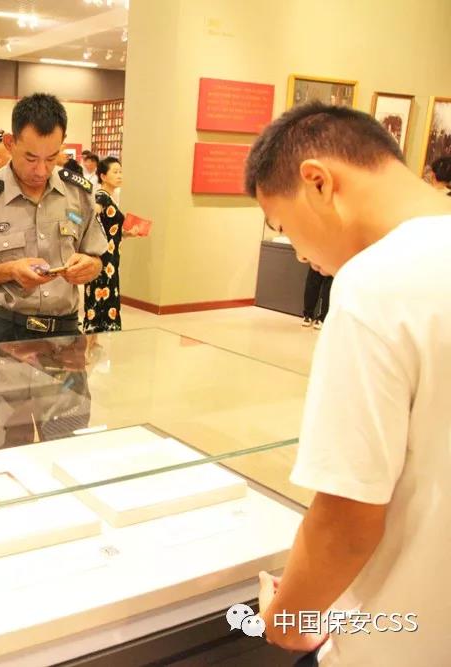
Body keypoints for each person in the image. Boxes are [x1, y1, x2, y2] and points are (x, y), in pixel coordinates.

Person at [247, 102, 451, 666]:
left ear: (318, 182)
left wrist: (288, 621)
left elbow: (348, 516)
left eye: (285, 227)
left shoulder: (377, 285)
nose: (301, 254)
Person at [0, 92, 106, 345]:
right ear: (10, 143)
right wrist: (9, 271)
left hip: (65, 332)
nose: (41, 170)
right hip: (4, 332)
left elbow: (96, 258)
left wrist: (90, 266)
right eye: (30, 158)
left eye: (51, 158)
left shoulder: (78, 192)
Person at [83, 157, 129, 332]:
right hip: (103, 257)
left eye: (120, 171)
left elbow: (110, 229)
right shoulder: (101, 196)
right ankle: (90, 341)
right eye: (115, 172)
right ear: (103, 176)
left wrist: (127, 233)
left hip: (111, 257)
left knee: (105, 296)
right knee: (99, 297)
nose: (119, 175)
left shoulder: (110, 197)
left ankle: (94, 340)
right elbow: (91, 216)